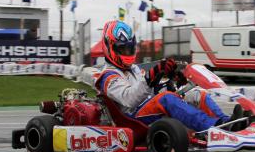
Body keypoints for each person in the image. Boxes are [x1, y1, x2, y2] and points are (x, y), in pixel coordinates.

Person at [95, 20, 243, 132]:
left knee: (198, 95)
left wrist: (171, 82)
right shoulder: (108, 76)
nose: (127, 53)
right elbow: (129, 99)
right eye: (123, 49)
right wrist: (151, 77)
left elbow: (148, 91)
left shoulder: (133, 69)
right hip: (131, 120)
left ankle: (227, 122)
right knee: (166, 99)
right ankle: (214, 127)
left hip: (146, 108)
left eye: (130, 48)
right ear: (110, 47)